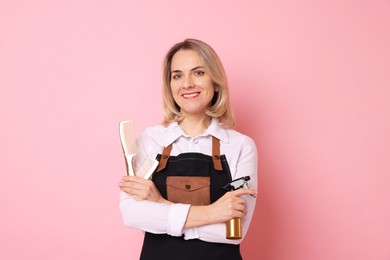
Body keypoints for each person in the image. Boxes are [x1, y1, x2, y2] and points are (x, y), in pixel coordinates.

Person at [118, 38, 258, 260]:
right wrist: (212, 213)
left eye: (198, 73)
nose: (187, 84)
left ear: (215, 81)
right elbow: (132, 214)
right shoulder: (150, 141)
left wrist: (161, 206)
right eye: (177, 75)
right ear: (170, 85)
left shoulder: (241, 146)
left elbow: (233, 233)